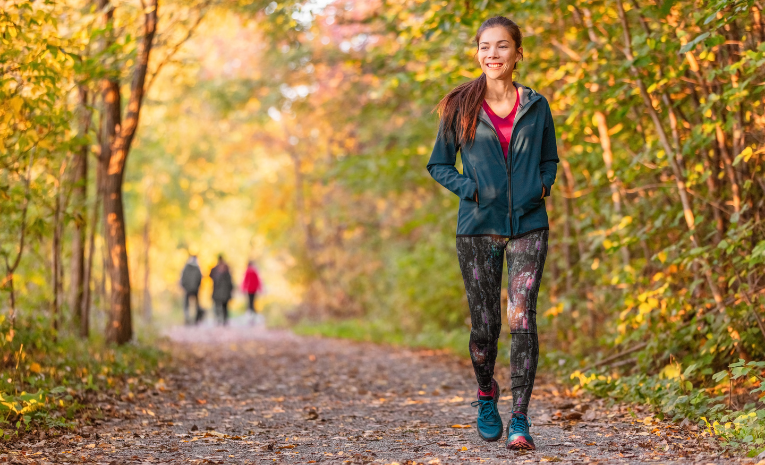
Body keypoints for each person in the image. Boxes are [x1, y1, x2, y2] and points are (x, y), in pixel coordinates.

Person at [427, 16, 558, 450]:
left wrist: (541, 186)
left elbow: (549, 160)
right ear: (477, 52)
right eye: (485, 46)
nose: (493, 54)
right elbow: (439, 164)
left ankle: (520, 419)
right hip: (478, 230)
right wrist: (473, 190)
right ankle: (487, 394)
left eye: (502, 46)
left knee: (522, 318)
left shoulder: (536, 106)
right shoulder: (460, 106)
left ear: (518, 53)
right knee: (485, 327)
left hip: (529, 225)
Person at [210, 255, 234, 326]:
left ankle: (220, 319)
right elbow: (230, 282)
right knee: (224, 307)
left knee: (219, 306)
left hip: (218, 292)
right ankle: (223, 320)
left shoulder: (216, 270)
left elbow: (211, 277)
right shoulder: (226, 270)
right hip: (223, 292)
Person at [180, 255, 203, 325]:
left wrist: (184, 286)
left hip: (188, 289)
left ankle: (187, 317)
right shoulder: (197, 268)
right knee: (196, 304)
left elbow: (183, 278)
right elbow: (200, 278)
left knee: (187, 305)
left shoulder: (186, 268)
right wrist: (197, 286)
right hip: (195, 289)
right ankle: (196, 319)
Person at [241, 261, 263, 325]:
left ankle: (250, 316)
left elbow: (245, 280)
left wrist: (243, 288)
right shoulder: (255, 271)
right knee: (252, 302)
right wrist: (259, 288)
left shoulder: (247, 271)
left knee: (250, 302)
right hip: (254, 289)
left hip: (249, 289)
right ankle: (253, 316)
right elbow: (258, 281)